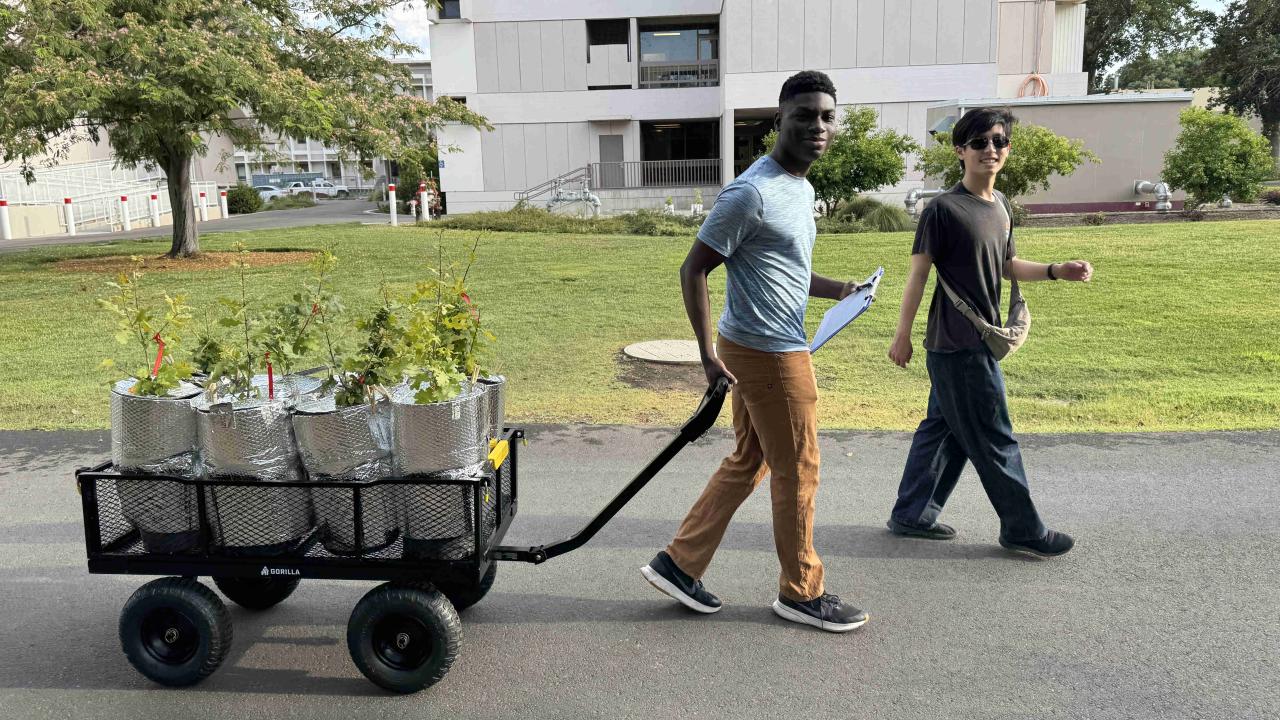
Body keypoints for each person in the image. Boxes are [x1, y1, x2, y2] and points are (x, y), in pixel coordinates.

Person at [640, 71, 870, 633]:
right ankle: (802, 591)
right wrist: (702, 355)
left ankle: (679, 562)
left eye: (826, 117)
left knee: (752, 460)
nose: (817, 126)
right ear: (779, 121)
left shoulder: (802, 188)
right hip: (768, 354)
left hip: (760, 344)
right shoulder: (751, 192)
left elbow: (785, 267)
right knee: (800, 469)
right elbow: (694, 267)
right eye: (804, 116)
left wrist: (840, 289)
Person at [885, 106, 1093, 557]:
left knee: (944, 430)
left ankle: (911, 514)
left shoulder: (1000, 206)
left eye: (998, 141)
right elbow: (918, 275)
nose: (990, 150)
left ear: (1007, 149)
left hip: (974, 339)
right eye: (979, 142)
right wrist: (901, 335)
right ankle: (1022, 528)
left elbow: (1005, 265)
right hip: (956, 345)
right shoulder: (942, 210)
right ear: (960, 151)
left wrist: (1057, 270)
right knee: (995, 435)